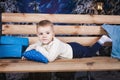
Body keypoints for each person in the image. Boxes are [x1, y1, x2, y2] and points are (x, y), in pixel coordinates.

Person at [22, 20, 112, 62]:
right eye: (41, 34)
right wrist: (25, 54)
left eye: (47, 33)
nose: (44, 36)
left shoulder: (55, 44)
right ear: (38, 35)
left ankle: (102, 40)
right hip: (68, 46)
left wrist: (39, 49)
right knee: (86, 49)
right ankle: (88, 48)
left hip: (75, 51)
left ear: (53, 34)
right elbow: (32, 46)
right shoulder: (40, 42)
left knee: (90, 53)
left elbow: (50, 58)